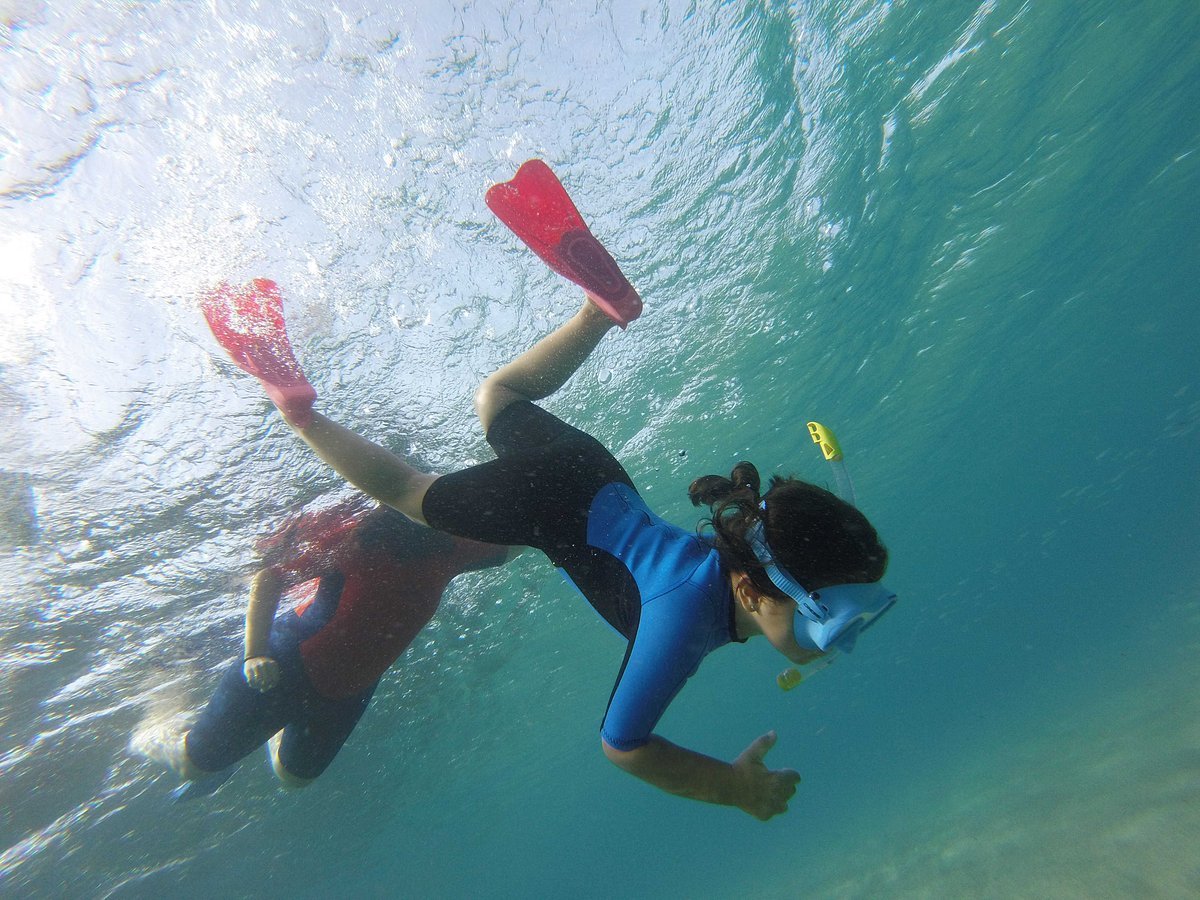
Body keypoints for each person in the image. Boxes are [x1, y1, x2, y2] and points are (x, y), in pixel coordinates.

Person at [199, 160, 895, 819]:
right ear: (751, 592)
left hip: (594, 475)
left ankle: (601, 312)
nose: (839, 640)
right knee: (410, 492)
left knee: (497, 396)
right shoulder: (683, 622)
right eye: (826, 622)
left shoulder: (749, 562)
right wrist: (732, 789)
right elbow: (624, 746)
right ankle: (300, 413)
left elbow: (800, 543)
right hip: (554, 503)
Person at [135, 496, 508, 794]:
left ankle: (261, 731)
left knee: (294, 780)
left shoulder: (452, 548)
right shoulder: (354, 539)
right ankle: (152, 726)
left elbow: (516, 541)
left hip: (349, 690)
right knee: (192, 765)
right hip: (286, 661)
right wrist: (255, 653)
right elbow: (268, 578)